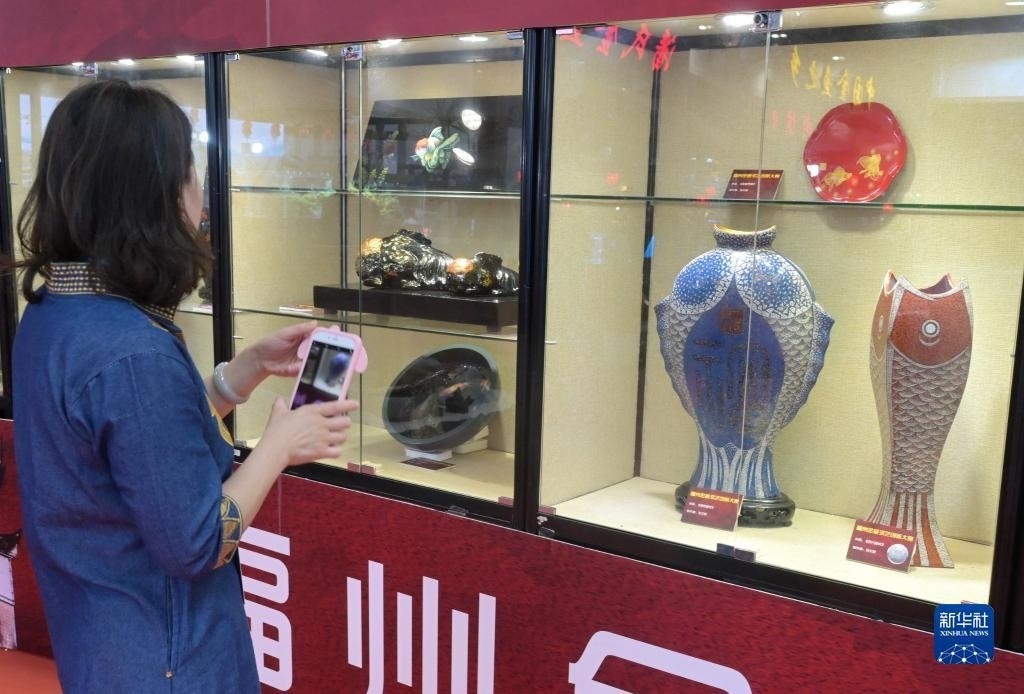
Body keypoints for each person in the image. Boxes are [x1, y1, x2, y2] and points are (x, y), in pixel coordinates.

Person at [5, 79, 357, 692]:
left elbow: (128, 450)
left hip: (101, 640)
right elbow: (198, 542)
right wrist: (279, 445)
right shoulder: (133, 351)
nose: (199, 191)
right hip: (166, 658)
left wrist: (237, 376)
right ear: (159, 192)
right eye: (189, 170)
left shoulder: (54, 311)